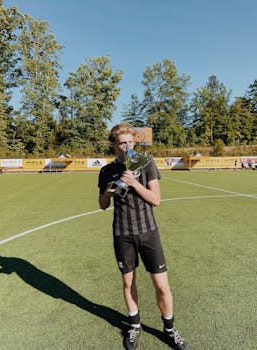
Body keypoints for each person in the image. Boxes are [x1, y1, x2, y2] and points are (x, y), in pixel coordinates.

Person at [98, 123, 190, 350]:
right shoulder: (106, 171)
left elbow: (156, 199)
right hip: (122, 233)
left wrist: (134, 183)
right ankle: (134, 326)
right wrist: (108, 193)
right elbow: (101, 205)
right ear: (114, 145)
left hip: (148, 232)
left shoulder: (145, 163)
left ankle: (169, 330)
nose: (128, 146)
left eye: (131, 141)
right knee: (128, 282)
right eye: (122, 143)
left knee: (162, 286)